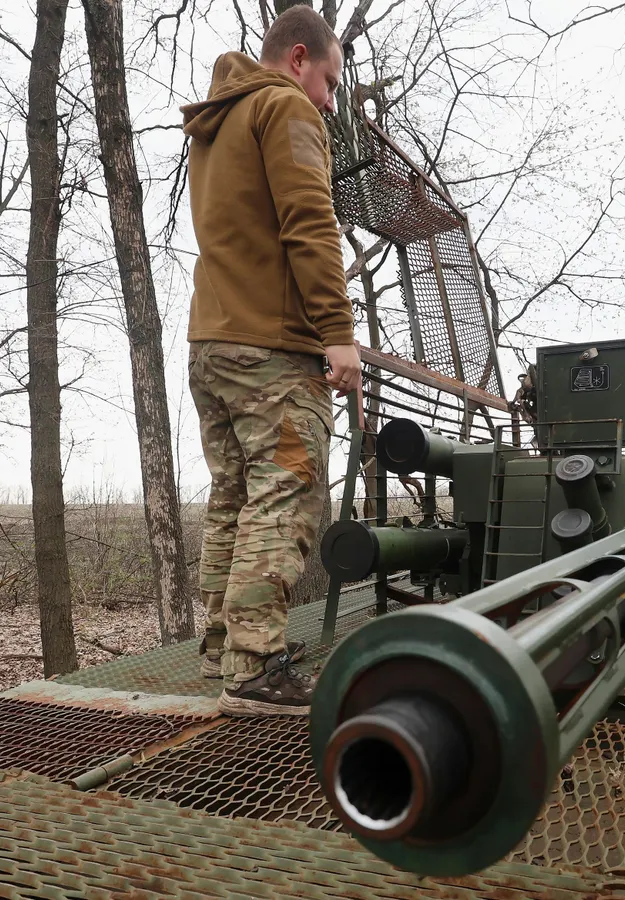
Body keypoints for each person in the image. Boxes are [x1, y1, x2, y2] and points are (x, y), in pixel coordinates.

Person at [182, 6, 361, 717]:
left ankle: (223, 649)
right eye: (329, 79)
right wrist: (338, 333)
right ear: (297, 59)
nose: (329, 98)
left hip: (211, 343)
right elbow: (309, 222)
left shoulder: (217, 122)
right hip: (270, 348)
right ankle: (256, 668)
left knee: (234, 495)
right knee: (285, 490)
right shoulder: (286, 111)